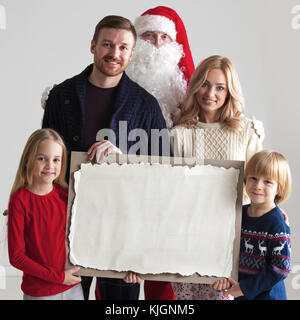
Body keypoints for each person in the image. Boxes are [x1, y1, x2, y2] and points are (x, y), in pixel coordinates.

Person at [41, 15, 168, 300]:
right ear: (93, 46)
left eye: (123, 47)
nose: (114, 53)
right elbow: (43, 156)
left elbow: (163, 170)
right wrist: (27, 197)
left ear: (132, 53)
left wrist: (122, 160)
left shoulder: (146, 105)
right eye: (107, 45)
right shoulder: (62, 96)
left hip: (124, 227)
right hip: (68, 223)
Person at [169, 55, 265, 300]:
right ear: (195, 86)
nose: (210, 92)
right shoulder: (178, 135)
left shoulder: (246, 131)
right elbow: (168, 191)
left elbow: (261, 181)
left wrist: (271, 208)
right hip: (187, 239)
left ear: (230, 91)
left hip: (233, 238)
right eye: (205, 83)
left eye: (220, 87)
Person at [7, 128, 84, 300]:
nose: (50, 165)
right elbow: (17, 257)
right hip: (39, 292)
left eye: (56, 160)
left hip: (73, 288)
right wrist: (59, 277)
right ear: (27, 160)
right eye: (42, 158)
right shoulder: (19, 201)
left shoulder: (68, 196)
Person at [213, 150, 291, 300]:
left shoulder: (277, 222)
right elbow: (228, 251)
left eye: (267, 181)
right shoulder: (238, 214)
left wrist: (245, 288)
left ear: (279, 188)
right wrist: (225, 277)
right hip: (241, 293)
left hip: (268, 296)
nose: (258, 186)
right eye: (253, 178)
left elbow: (281, 268)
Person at [126, 6, 195, 128]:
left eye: (164, 37)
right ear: (138, 39)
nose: (157, 44)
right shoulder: (123, 75)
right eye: (150, 35)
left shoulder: (182, 86)